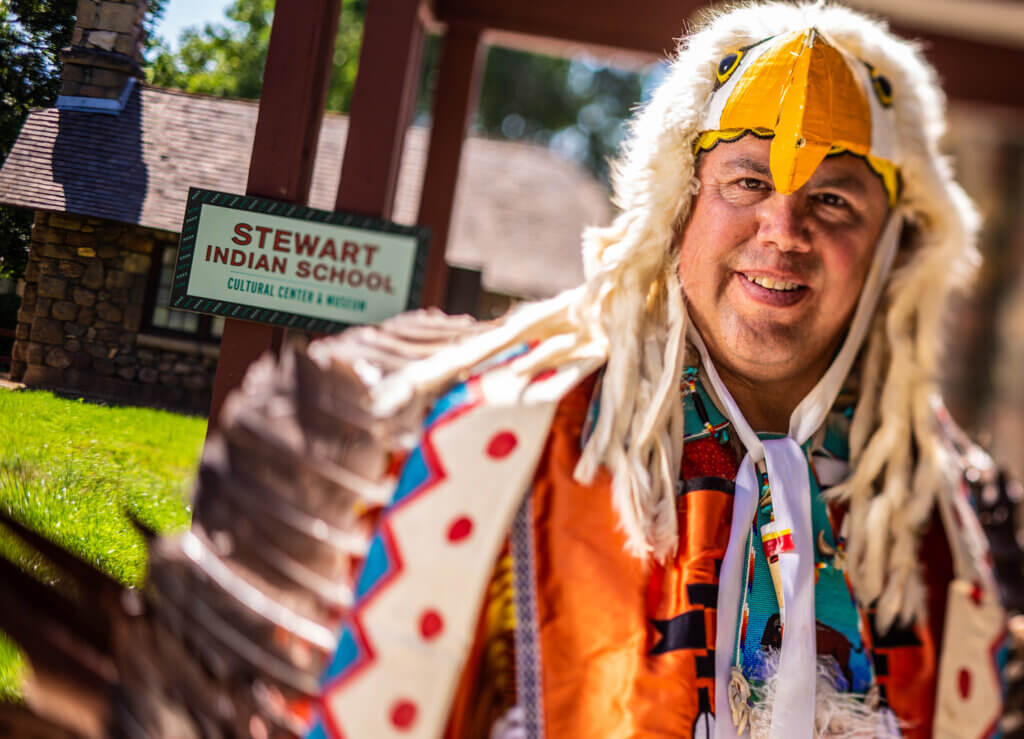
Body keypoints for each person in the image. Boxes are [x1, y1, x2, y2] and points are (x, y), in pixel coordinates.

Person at [308, 3, 1009, 738]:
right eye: (746, 182)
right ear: (679, 207)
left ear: (891, 251)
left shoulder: (931, 511)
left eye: (833, 200)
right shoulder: (511, 439)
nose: (783, 230)